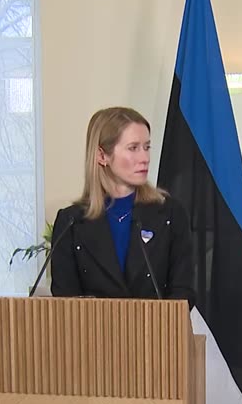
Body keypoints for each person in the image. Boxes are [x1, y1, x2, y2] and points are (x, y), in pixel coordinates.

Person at [50, 107, 195, 306]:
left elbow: (183, 292)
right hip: (92, 336)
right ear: (102, 156)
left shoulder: (170, 214)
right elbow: (65, 302)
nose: (144, 158)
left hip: (156, 335)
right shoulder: (71, 222)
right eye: (133, 148)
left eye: (147, 147)